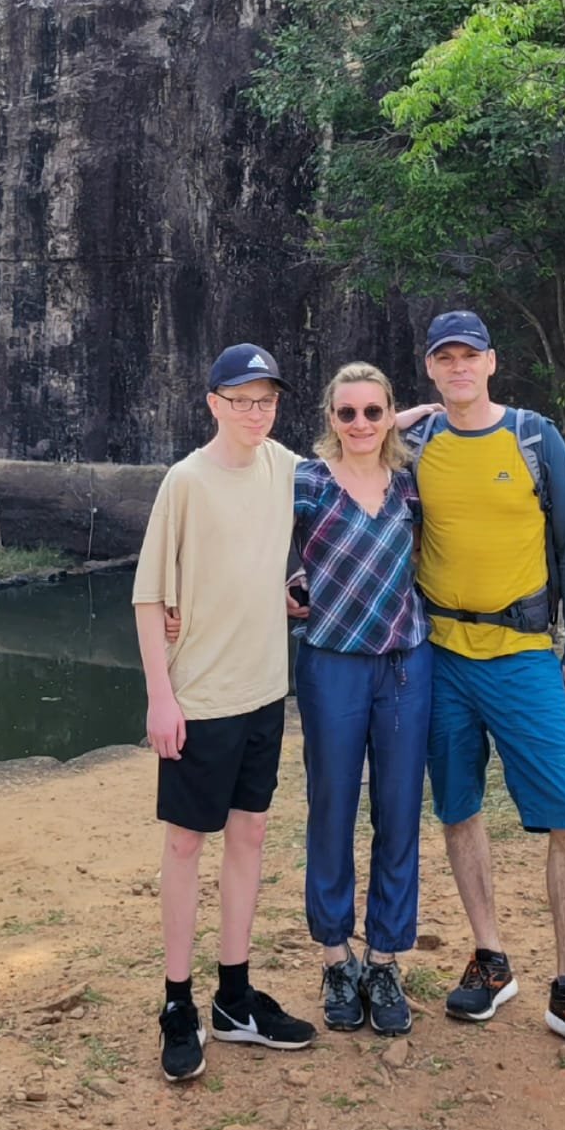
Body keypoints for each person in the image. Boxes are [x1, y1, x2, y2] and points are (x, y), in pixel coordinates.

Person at [407, 310, 565, 1062]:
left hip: (524, 655)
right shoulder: (418, 446)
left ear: (491, 362)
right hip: (440, 655)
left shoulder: (533, 438)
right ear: (431, 369)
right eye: (445, 357)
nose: (459, 366)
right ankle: (489, 955)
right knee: (458, 807)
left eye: (469, 355)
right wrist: (410, 414)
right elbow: (344, 450)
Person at [133, 343, 316, 1083]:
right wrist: (160, 696)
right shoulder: (185, 481)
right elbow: (150, 595)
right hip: (199, 697)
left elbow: (354, 451)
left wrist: (414, 416)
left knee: (250, 834)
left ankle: (233, 995)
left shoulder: (283, 466)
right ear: (211, 402)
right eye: (240, 399)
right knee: (185, 845)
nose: (254, 412)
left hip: (265, 690)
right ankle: (177, 1002)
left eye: (265, 399)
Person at [287, 362, 433, 1039]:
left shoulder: (410, 481)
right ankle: (334, 955)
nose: (359, 424)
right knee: (331, 808)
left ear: (387, 413)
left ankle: (383, 957)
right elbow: (248, 539)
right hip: (330, 665)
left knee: (399, 810)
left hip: (404, 664)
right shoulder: (305, 481)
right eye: (346, 413)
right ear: (329, 419)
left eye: (372, 412)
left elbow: (447, 412)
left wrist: (400, 424)